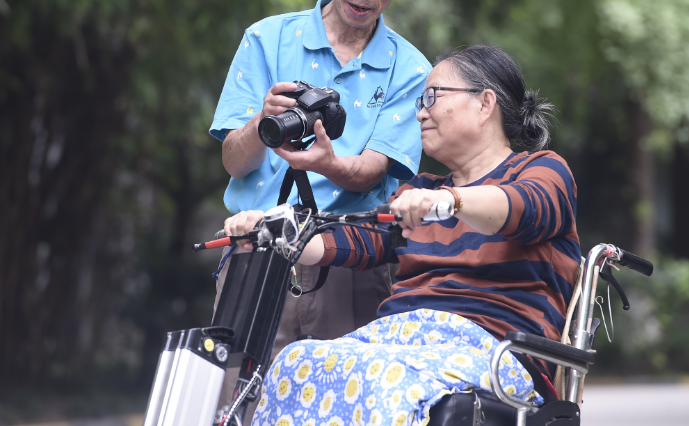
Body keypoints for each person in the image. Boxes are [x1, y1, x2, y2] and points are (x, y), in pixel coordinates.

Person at [225, 45, 581, 426]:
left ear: (484, 104)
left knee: (388, 376)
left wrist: (449, 201)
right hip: (399, 342)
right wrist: (274, 234)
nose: (421, 112)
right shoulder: (418, 192)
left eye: (432, 97)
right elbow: (353, 240)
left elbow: (522, 207)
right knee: (294, 363)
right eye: (419, 102)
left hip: (494, 352)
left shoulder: (542, 170)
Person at [209, 0, 431, 411]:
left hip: (351, 262)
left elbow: (372, 171)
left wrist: (328, 164)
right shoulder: (266, 40)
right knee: (237, 407)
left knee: (347, 410)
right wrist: (261, 123)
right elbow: (234, 160)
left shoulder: (413, 71)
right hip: (256, 249)